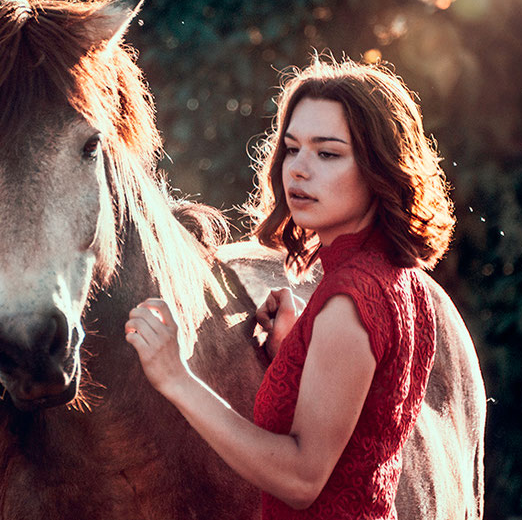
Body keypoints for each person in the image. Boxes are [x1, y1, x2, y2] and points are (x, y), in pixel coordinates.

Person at [124, 57, 455, 519]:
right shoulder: (400, 277)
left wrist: (176, 378)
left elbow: (302, 481)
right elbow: (360, 430)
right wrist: (297, 352)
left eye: (328, 153)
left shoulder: (350, 298)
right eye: (292, 148)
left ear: (379, 168)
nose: (297, 169)